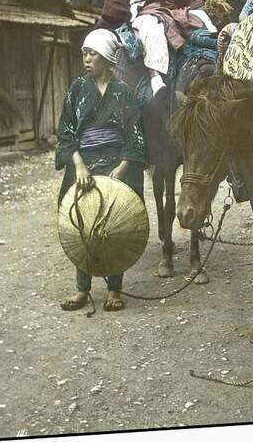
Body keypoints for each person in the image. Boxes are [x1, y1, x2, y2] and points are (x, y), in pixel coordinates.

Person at [56, 29, 147, 312]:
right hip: (83, 162)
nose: (86, 58)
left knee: (114, 223)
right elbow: (66, 133)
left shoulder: (123, 93)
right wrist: (79, 165)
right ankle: (82, 288)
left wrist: (122, 168)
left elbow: (135, 135)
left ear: (107, 58)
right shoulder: (77, 89)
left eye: (92, 53)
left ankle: (114, 288)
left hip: (117, 163)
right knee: (80, 221)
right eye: (84, 53)